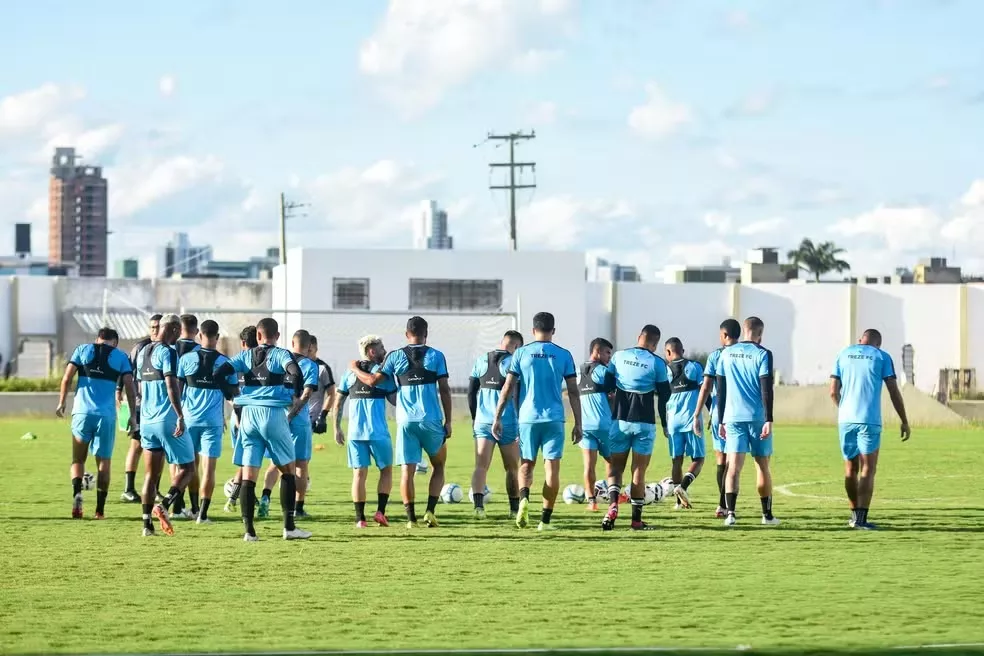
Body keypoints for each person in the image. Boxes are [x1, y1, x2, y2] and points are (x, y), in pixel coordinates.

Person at [348, 316, 452, 529]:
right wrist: (448, 421)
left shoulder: (395, 356)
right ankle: (430, 511)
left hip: (405, 421)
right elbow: (445, 389)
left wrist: (354, 368)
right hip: (431, 419)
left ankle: (411, 519)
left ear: (406, 334)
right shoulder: (437, 355)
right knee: (439, 465)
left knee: (407, 470)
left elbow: (372, 381)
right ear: (426, 333)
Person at [214, 317, 311, 541]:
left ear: (257, 336)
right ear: (277, 336)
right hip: (273, 414)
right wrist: (295, 395)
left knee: (249, 474)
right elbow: (295, 372)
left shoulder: (245, 356)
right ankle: (289, 528)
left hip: (248, 416)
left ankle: (249, 531)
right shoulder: (281, 354)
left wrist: (231, 394)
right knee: (287, 469)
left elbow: (219, 373)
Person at [492, 311, 581, 531]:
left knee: (526, 464)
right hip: (554, 419)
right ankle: (545, 521)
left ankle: (523, 499)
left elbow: (508, 387)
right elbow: (573, 392)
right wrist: (579, 423)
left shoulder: (521, 353)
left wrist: (497, 417)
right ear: (553, 331)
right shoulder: (564, 355)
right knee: (552, 470)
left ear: (533, 330)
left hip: (527, 418)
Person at [830, 328, 911, 529]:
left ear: (860, 340)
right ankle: (861, 519)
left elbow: (833, 391)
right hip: (869, 419)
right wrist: (904, 420)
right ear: (878, 343)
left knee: (850, 469)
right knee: (868, 468)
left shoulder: (843, 353)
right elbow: (893, 390)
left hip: (845, 420)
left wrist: (845, 409)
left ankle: (853, 515)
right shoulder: (881, 357)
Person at [56, 328, 137, 519]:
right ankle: (99, 511)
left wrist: (62, 402)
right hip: (106, 416)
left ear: (97, 339)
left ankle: (77, 496)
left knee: (78, 460)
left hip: (82, 413)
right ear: (115, 342)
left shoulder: (82, 350)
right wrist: (132, 415)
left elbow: (67, 377)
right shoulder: (120, 356)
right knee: (104, 463)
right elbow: (129, 387)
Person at [603, 325, 671, 531]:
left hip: (620, 421)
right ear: (656, 343)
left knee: (616, 468)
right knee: (638, 472)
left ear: (639, 337)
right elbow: (664, 398)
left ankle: (614, 504)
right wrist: (666, 424)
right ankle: (636, 521)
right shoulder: (657, 363)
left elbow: (607, 386)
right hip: (645, 423)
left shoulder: (618, 356)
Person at [135, 314, 196, 537]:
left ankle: (146, 526)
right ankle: (165, 504)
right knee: (188, 468)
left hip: (147, 421)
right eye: (178, 330)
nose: (180, 334)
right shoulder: (168, 352)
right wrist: (180, 415)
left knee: (151, 475)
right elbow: (172, 386)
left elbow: (140, 388)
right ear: (172, 329)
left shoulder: (143, 353)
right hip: (167, 419)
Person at [715, 316, 779, 527]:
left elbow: (721, 389)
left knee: (733, 466)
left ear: (743, 330)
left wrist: (721, 420)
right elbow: (766, 389)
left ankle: (731, 514)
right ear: (760, 334)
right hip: (757, 418)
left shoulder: (725, 353)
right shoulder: (762, 354)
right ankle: (766, 515)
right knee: (762, 466)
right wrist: (769, 419)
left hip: (732, 418)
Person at [177, 319, 239, 525]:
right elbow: (233, 393)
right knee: (209, 469)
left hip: (189, 419)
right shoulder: (225, 363)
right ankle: (202, 514)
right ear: (217, 337)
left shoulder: (185, 360)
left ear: (200, 336)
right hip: (212, 422)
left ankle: (187, 506)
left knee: (188, 467)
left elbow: (177, 390)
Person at [334, 335, 398, 528]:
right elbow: (395, 401)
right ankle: (380, 512)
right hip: (378, 432)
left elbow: (338, 403)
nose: (385, 351)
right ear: (372, 351)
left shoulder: (348, 375)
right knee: (386, 471)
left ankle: (359, 519)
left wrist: (337, 428)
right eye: (381, 348)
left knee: (359, 475)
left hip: (355, 433)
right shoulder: (382, 373)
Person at [258, 330, 318, 519]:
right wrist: (292, 415)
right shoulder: (310, 365)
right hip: (298, 421)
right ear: (309, 347)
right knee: (300, 464)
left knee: (275, 463)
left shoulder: (280, 360)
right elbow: (307, 393)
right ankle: (298, 508)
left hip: (276, 417)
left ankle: (265, 498)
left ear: (292, 343)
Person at [467, 330, 524, 519]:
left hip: (483, 422)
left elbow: (470, 392)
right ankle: (514, 510)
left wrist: (475, 417)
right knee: (512, 468)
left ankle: (478, 509)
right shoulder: (513, 363)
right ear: (516, 346)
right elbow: (517, 394)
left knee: (480, 466)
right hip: (507, 421)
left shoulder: (481, 359)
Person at [693, 319, 742, 518]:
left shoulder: (715, 356)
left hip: (718, 413)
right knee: (734, 461)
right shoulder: (745, 354)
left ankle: (722, 505)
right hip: (740, 412)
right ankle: (729, 506)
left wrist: (697, 414)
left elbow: (705, 386)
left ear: (723, 335)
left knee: (721, 459)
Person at [117, 314, 162, 503]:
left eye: (158, 327)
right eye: (152, 327)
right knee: (136, 446)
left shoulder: (168, 349)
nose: (155, 331)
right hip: (140, 404)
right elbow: (126, 369)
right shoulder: (140, 347)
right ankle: (128, 488)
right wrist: (119, 391)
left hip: (159, 407)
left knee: (160, 450)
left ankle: (154, 489)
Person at [664, 337, 706, 510]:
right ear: (683, 350)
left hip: (673, 421)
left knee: (676, 461)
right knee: (698, 458)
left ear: (668, 352)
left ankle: (678, 502)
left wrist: (664, 423)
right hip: (691, 420)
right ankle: (684, 486)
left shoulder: (664, 370)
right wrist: (712, 413)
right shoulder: (695, 367)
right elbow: (706, 391)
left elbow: (661, 396)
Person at [167, 313, 202, 518]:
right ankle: (195, 507)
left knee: (175, 463)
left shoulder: (170, 350)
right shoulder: (199, 352)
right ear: (197, 332)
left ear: (179, 330)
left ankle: (177, 507)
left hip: (171, 412)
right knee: (192, 463)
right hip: (192, 411)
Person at [577, 337, 616, 512]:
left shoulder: (578, 371)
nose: (609, 357)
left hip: (584, 426)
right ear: (597, 351)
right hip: (604, 425)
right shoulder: (602, 370)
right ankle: (614, 498)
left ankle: (591, 501)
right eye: (607, 352)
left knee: (588, 465)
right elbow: (616, 390)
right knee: (613, 463)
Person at [224, 325, 258, 514]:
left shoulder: (234, 363)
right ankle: (233, 499)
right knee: (249, 462)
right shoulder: (262, 362)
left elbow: (228, 389)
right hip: (252, 418)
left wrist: (233, 406)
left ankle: (250, 498)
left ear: (243, 343)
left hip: (237, 417)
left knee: (247, 462)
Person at [308, 335, 335, 437]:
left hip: (311, 417)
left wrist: (322, 416)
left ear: (316, 349)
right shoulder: (296, 365)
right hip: (293, 414)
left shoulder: (323, 368)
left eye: (310, 350)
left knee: (300, 450)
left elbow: (331, 394)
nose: (307, 353)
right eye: (306, 350)